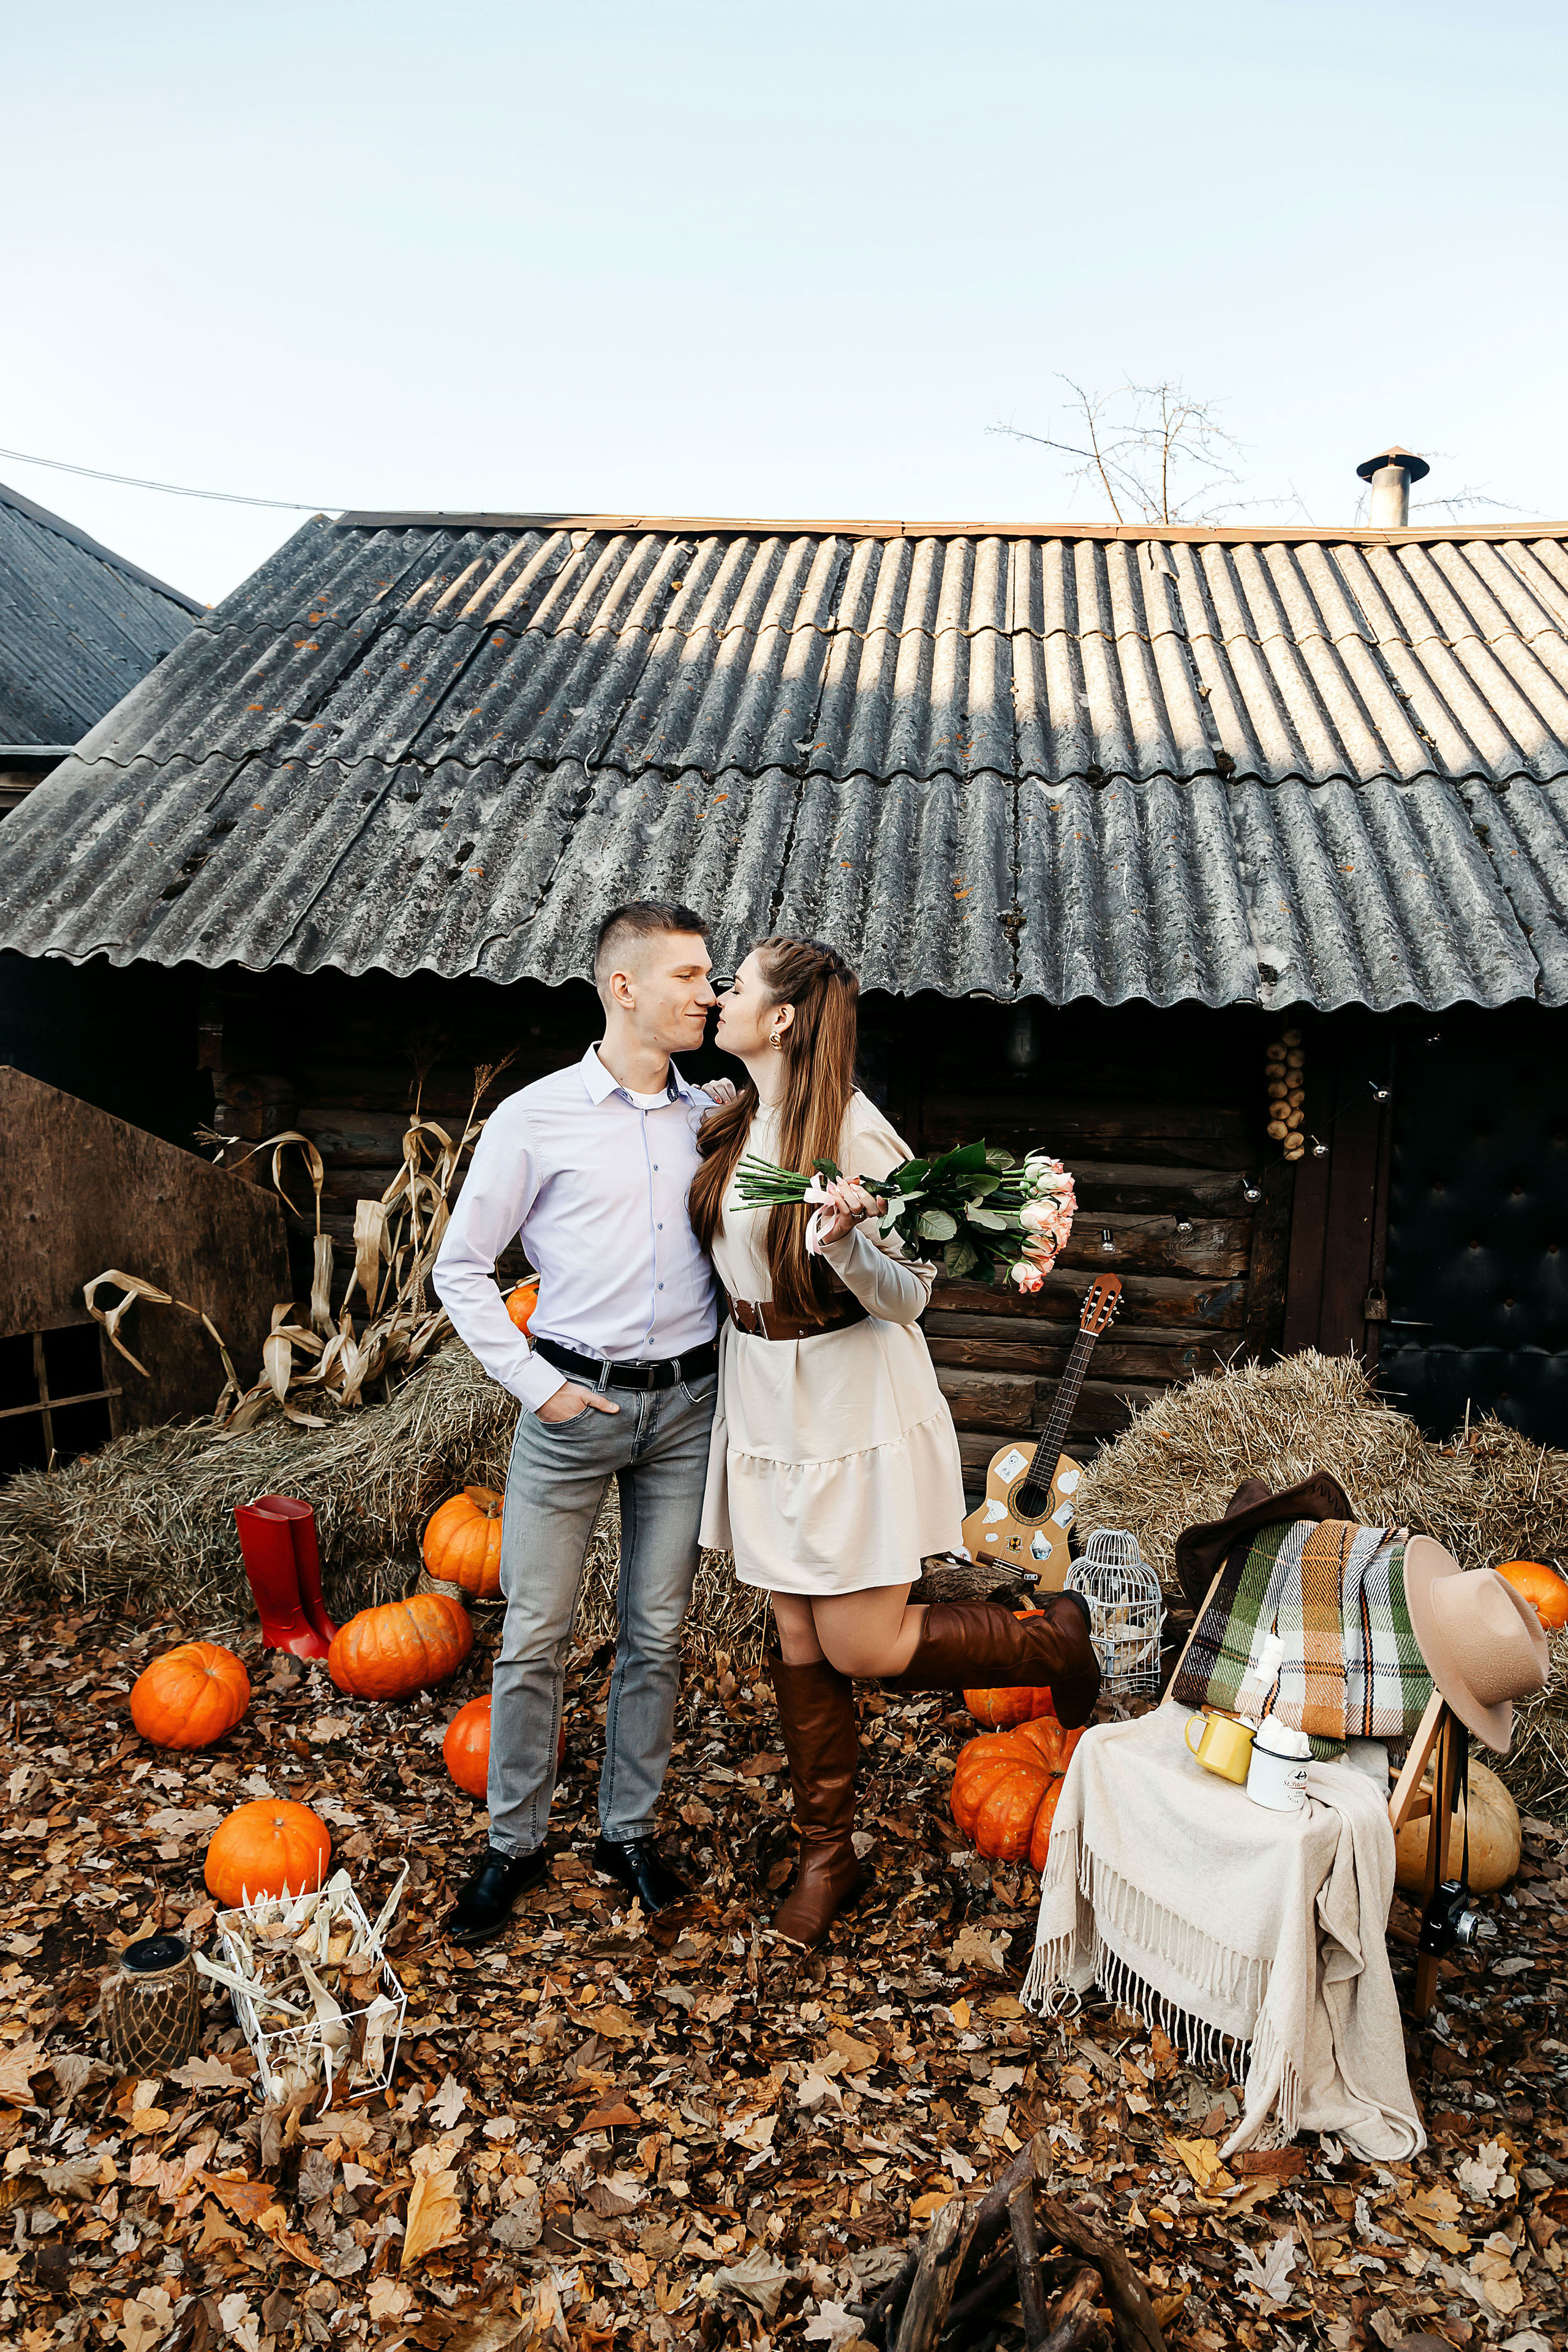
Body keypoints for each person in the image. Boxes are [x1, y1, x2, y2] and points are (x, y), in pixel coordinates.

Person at [690, 937, 1099, 1949]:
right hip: (765, 1402)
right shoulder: (741, 1117)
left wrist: (843, 1246)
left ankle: (1053, 1638)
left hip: (849, 1407)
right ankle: (828, 1855)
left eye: (734, 986)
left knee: (861, 1645)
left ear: (782, 1018)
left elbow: (910, 1296)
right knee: (796, 1637)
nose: (719, 997)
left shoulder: (855, 1134)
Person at [432, 900, 728, 1945]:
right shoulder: (535, 1117)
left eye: (712, 976)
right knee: (534, 1637)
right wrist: (535, 1385)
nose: (711, 993)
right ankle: (511, 1843)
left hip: (690, 1406)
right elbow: (459, 1270)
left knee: (656, 1632)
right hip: (572, 1408)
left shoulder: (718, 1114)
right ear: (625, 988)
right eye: (691, 977)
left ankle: (626, 1831)